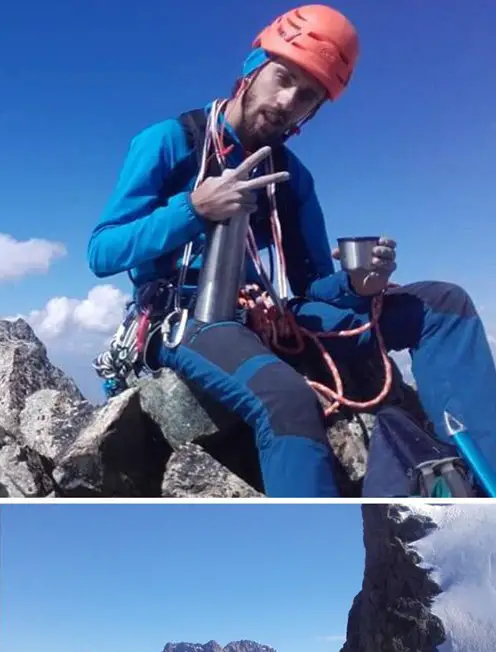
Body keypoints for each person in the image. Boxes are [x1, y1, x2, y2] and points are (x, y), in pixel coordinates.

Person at [87, 4, 496, 498]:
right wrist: (194, 209)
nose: (286, 101)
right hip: (185, 320)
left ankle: (483, 480)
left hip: (270, 315)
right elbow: (103, 251)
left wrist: (353, 284)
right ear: (251, 68)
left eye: (307, 97)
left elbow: (310, 286)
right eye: (282, 78)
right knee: (286, 400)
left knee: (442, 304)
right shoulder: (172, 143)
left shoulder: (292, 177)